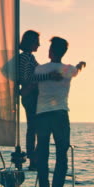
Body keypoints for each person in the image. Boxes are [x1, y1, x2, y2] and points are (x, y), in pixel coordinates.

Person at [34, 37, 86, 187]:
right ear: (63, 52)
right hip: (60, 115)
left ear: (51, 51)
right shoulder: (69, 69)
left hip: (42, 114)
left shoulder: (40, 70)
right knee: (61, 154)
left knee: (42, 153)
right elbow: (77, 70)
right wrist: (80, 64)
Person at [18, 30, 61, 169]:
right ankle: (33, 159)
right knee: (35, 128)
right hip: (31, 97)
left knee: (36, 127)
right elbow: (26, 78)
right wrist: (48, 76)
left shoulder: (28, 57)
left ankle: (33, 159)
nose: (39, 44)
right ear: (30, 42)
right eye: (37, 41)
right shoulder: (26, 57)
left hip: (32, 96)